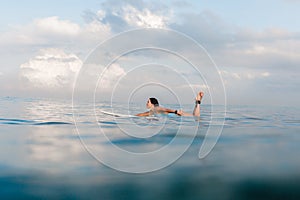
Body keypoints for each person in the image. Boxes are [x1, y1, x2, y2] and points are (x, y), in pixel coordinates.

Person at [136, 92, 204, 117]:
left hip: (176, 114)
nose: (146, 103)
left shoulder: (156, 108)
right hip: (176, 114)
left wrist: (175, 111)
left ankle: (197, 102)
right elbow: (146, 114)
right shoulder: (153, 110)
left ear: (153, 104)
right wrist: (136, 115)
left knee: (196, 116)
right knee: (195, 116)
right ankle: (198, 102)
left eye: (148, 102)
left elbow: (165, 109)